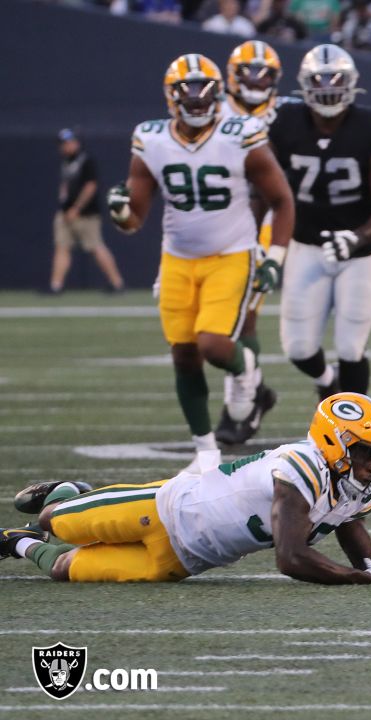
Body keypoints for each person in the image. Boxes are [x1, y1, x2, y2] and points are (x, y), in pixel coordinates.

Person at [0, 393, 371, 586]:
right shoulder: (301, 467)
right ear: (335, 442)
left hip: (184, 559)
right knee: (53, 520)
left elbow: (362, 556)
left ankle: (16, 544)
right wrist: (362, 577)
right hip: (163, 508)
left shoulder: (351, 491)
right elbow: (291, 559)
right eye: (365, 452)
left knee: (62, 569)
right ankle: (65, 493)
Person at [106, 54, 293, 474]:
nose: (195, 98)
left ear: (218, 91)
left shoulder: (240, 133)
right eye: (187, 90)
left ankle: (248, 371)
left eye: (204, 89)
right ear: (171, 96)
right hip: (177, 258)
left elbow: (282, 200)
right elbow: (134, 218)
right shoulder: (151, 139)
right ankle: (205, 449)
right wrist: (121, 213)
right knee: (184, 355)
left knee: (212, 344)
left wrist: (275, 256)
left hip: (232, 254)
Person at [270, 44, 371, 402]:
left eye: (336, 79)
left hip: (364, 252)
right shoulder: (283, 123)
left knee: (350, 346)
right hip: (307, 243)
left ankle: (356, 427)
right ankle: (328, 382)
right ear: (303, 84)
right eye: (319, 80)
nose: (328, 87)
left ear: (352, 83)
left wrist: (356, 238)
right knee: (297, 348)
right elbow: (264, 188)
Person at [213, 40, 289, 446]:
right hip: (218, 218)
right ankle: (253, 390)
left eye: (265, 74)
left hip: (266, 218)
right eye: (250, 73)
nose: (258, 81)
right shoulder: (213, 111)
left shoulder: (290, 111)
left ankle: (241, 398)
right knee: (211, 320)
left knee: (243, 311)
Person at [51, 128, 125, 294]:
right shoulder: (66, 162)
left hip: (86, 214)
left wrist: (77, 208)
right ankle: (56, 286)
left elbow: (91, 186)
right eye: (63, 144)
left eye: (69, 143)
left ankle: (117, 283)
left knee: (95, 247)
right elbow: (65, 187)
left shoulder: (86, 160)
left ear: (76, 142)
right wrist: (64, 206)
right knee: (62, 247)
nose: (65, 147)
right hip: (65, 213)